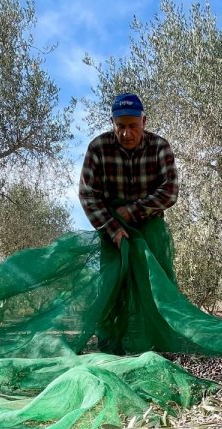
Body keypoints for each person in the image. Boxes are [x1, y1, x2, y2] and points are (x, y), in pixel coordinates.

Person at [78, 93, 180, 353]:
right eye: (120, 126)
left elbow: (170, 191)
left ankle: (162, 346)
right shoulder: (98, 148)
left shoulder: (160, 147)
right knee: (111, 288)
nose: (126, 133)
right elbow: (88, 195)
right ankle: (110, 348)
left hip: (150, 229)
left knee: (156, 286)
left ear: (144, 121)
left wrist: (132, 212)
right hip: (110, 229)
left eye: (133, 126)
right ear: (112, 122)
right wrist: (113, 228)